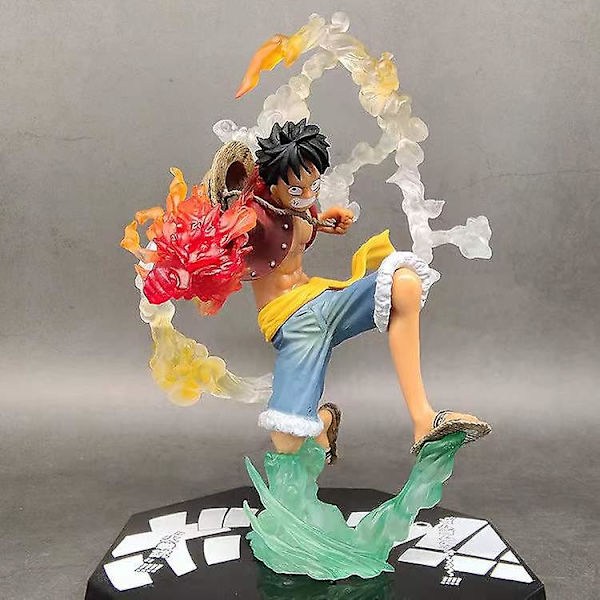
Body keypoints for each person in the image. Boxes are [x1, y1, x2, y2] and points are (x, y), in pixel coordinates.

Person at [238, 119, 490, 462]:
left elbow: (299, 225)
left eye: (314, 186)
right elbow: (222, 230)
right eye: (297, 190)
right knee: (287, 442)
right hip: (291, 324)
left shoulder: (303, 206)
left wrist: (322, 221)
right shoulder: (251, 215)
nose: (308, 196)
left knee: (403, 283)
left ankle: (424, 419)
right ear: (272, 185)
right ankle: (323, 422)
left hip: (320, 299)